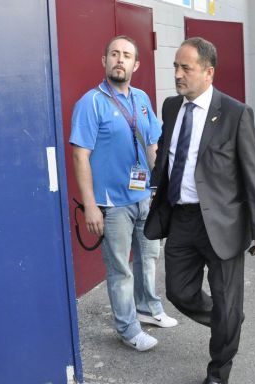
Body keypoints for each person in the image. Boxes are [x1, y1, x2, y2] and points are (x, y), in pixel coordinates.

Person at [144, 37, 255, 384]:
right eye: (175, 67)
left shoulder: (235, 113)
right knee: (177, 291)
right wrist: (155, 185)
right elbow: (169, 157)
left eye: (186, 68)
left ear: (208, 72)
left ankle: (218, 371)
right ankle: (227, 321)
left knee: (225, 297)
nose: (177, 74)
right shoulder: (171, 107)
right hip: (183, 218)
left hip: (223, 223)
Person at [70, 35, 178, 352]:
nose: (120, 59)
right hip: (112, 205)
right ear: (104, 61)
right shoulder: (90, 103)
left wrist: (160, 187)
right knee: (120, 269)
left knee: (149, 257)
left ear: (136, 64)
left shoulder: (142, 99)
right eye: (114, 54)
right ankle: (128, 329)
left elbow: (153, 144)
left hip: (145, 196)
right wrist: (90, 206)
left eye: (126, 55)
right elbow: (80, 156)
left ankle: (149, 308)